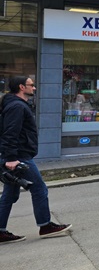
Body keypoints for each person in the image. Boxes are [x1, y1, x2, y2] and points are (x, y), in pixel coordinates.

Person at [0, 76, 71, 243]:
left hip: (17, 155)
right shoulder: (17, 106)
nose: (34, 88)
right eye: (31, 85)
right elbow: (10, 133)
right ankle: (45, 226)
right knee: (39, 189)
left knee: (10, 195)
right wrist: (11, 158)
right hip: (19, 156)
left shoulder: (16, 104)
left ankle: (0, 231)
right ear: (21, 87)